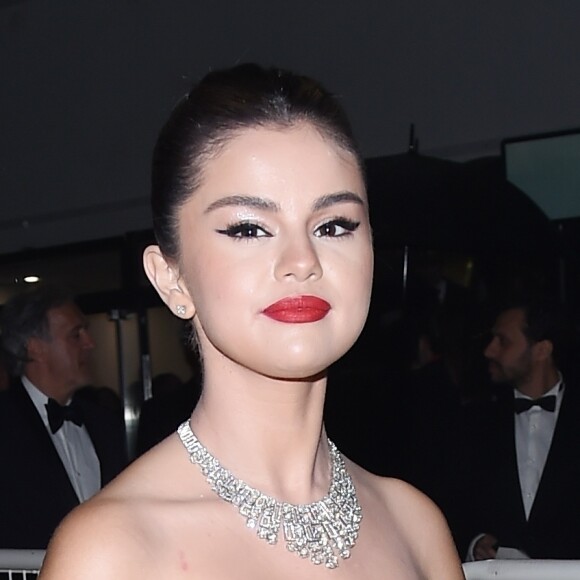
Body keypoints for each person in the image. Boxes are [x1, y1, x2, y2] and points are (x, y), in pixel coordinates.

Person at [39, 64, 464, 579]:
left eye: (333, 225)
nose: (302, 259)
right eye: (248, 229)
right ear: (171, 278)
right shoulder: (112, 551)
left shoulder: (415, 526)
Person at [0, 285, 128, 549]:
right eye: (75, 335)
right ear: (34, 347)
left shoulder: (104, 423)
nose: (89, 344)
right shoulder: (5, 424)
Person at [464, 298, 580, 560]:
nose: (489, 351)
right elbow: (454, 501)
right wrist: (475, 543)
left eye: (503, 341)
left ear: (541, 350)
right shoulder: (476, 420)